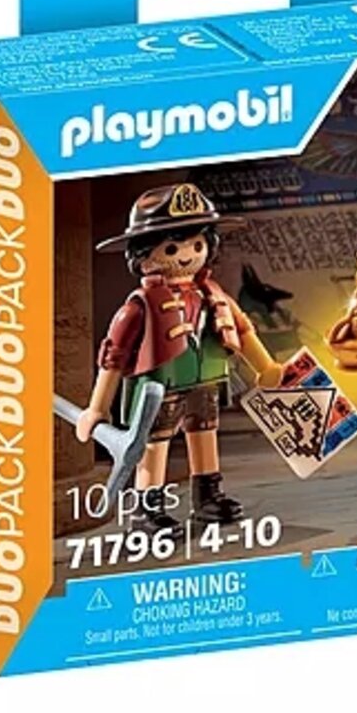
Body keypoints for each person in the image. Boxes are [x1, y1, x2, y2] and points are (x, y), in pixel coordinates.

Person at [76, 183, 283, 533]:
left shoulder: (212, 295)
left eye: (197, 245)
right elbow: (113, 357)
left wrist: (265, 367)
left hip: (206, 380)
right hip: (159, 387)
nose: (187, 255)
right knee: (154, 444)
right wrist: (97, 409)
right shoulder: (139, 306)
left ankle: (208, 496)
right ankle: (147, 509)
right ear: (143, 257)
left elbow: (243, 330)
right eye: (172, 248)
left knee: (204, 432)